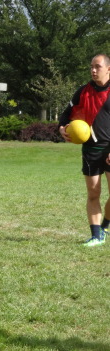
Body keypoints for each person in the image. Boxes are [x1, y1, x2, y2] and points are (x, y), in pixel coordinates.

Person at [59, 53, 110, 247]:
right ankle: (96, 235)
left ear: (108, 69)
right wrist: (62, 128)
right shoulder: (82, 92)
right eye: (91, 67)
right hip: (91, 149)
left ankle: (105, 226)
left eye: (97, 66)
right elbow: (65, 115)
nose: (93, 70)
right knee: (93, 193)